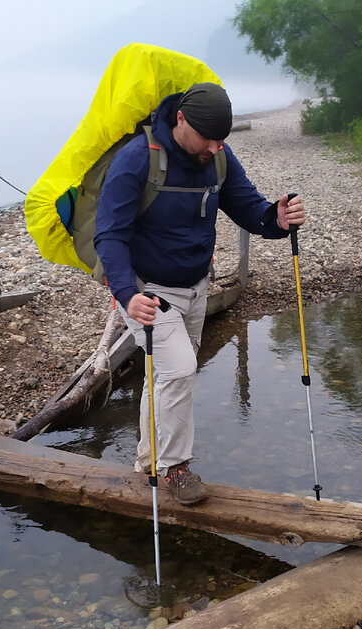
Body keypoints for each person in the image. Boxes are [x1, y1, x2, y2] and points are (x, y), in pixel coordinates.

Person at [94, 82, 306, 506]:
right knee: (179, 371)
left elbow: (250, 210)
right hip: (145, 290)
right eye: (206, 137)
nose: (213, 147)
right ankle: (174, 468)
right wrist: (125, 293)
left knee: (165, 377)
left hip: (195, 286)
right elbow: (109, 236)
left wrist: (277, 219)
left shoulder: (219, 159)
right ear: (180, 120)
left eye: (220, 139)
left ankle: (147, 462)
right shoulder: (137, 160)